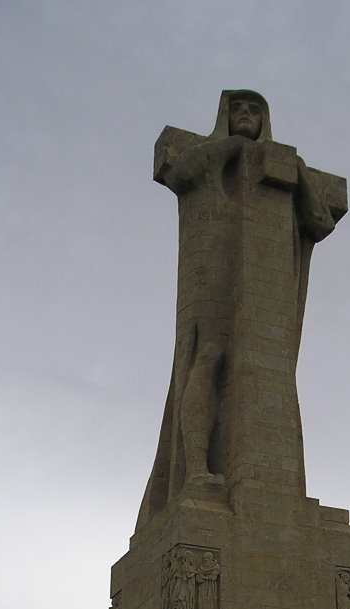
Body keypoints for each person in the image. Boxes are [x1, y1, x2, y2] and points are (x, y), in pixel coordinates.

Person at [137, 90, 338, 526]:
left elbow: (321, 221)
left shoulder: (284, 166)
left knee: (271, 372)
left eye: (254, 110)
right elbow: (180, 167)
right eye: (237, 109)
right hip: (209, 265)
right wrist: (236, 149)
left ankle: (265, 480)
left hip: (265, 278)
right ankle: (197, 469)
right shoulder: (207, 153)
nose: (245, 115)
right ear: (223, 117)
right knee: (207, 356)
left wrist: (298, 172)